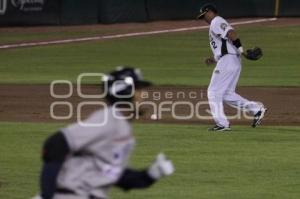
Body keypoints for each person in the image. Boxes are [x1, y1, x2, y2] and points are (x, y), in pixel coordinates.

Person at [32, 67, 174, 199]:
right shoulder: (109, 119)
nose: (143, 95)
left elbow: (113, 175)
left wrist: (150, 175)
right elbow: (56, 144)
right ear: (124, 92)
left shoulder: (122, 126)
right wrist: (47, 195)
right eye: (138, 89)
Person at [197, 3, 267, 131]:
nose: (204, 19)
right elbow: (223, 47)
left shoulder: (216, 21)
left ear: (210, 12)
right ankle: (256, 109)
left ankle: (222, 124)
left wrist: (242, 51)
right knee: (226, 94)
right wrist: (212, 59)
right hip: (231, 60)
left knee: (213, 92)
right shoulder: (216, 23)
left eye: (204, 15)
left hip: (228, 61)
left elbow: (232, 33)